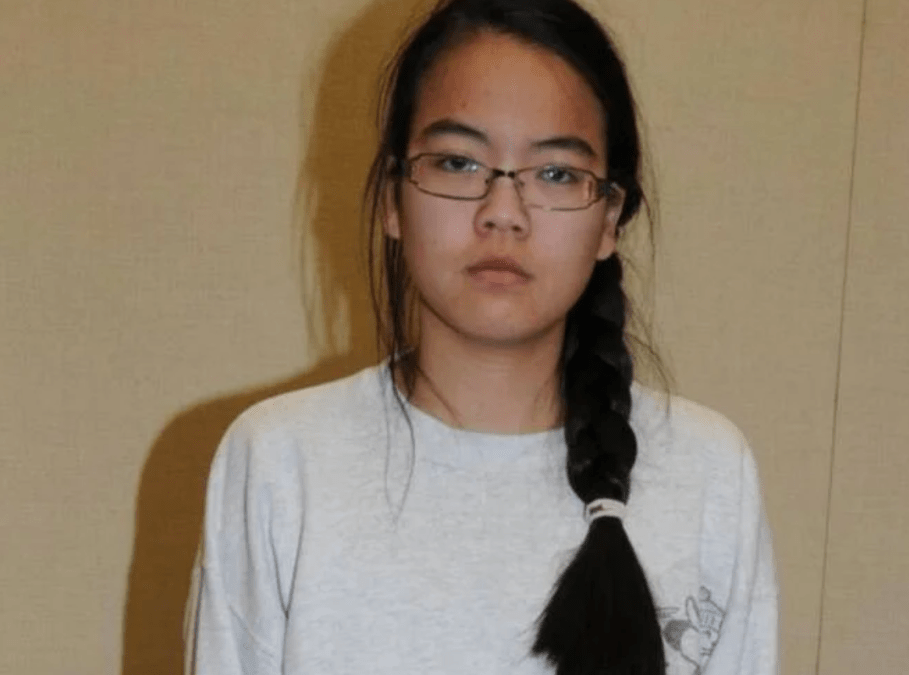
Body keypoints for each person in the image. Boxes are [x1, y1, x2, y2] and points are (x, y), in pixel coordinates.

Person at [184, 0, 778, 673]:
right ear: (391, 198)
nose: (503, 213)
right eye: (458, 163)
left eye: (556, 173)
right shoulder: (281, 462)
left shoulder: (708, 474)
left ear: (610, 217)